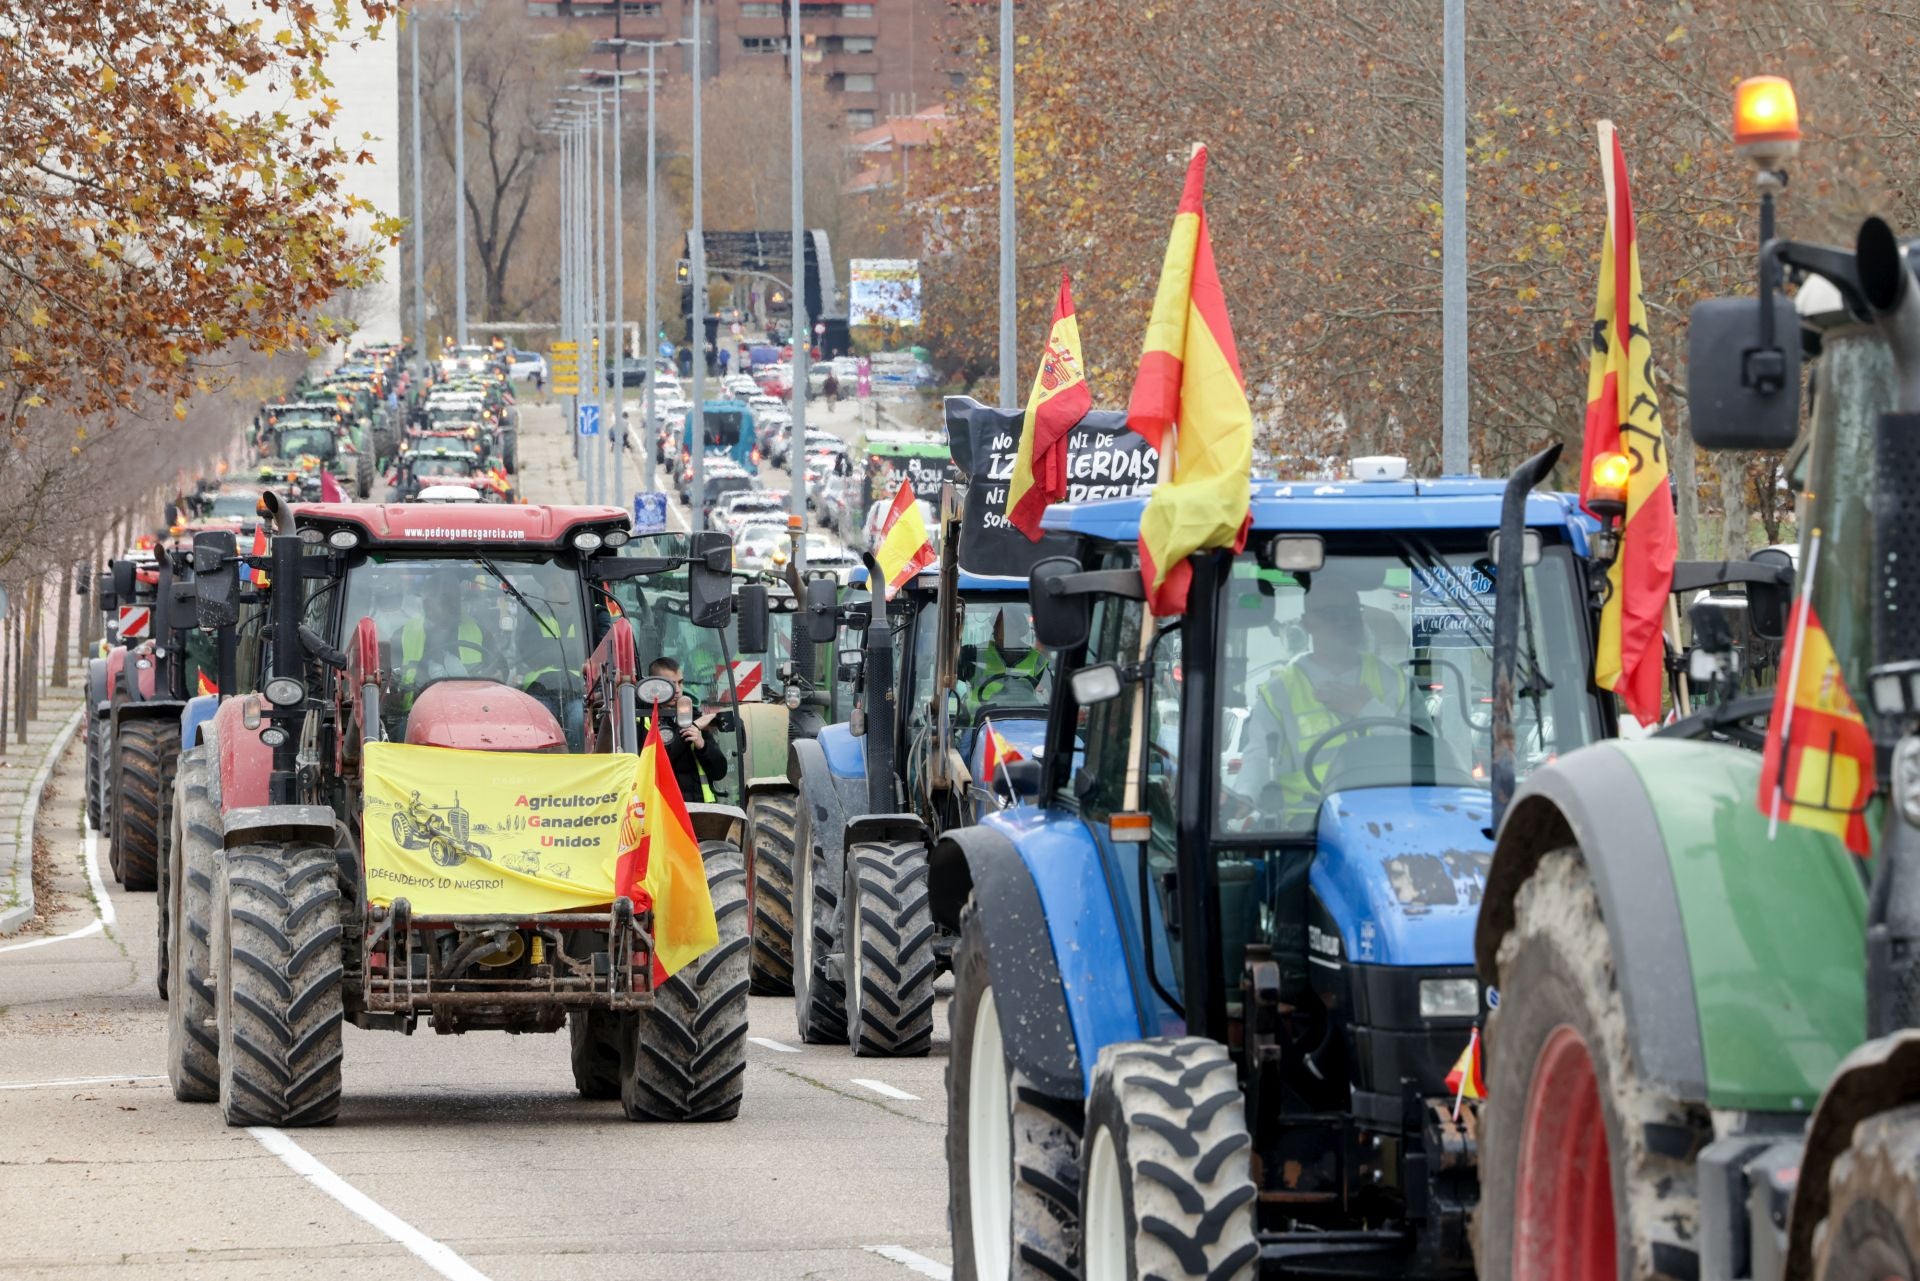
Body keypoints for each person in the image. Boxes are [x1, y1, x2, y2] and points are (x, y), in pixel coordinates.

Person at [1235, 579, 1408, 827]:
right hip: (1306, 826)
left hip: (1384, 817)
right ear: (1307, 623)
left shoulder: (1393, 680)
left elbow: (1419, 753)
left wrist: (1367, 709)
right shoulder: (1279, 692)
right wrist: (1245, 795)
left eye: (1351, 612)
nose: (1344, 621)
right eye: (1331, 614)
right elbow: (1260, 755)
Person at [644, 657, 726, 802]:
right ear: (653, 686)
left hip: (700, 810)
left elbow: (719, 771)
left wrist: (703, 746)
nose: (677, 690)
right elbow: (655, 765)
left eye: (680, 683)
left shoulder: (693, 715)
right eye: (670, 684)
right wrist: (692, 727)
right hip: (662, 812)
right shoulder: (642, 719)